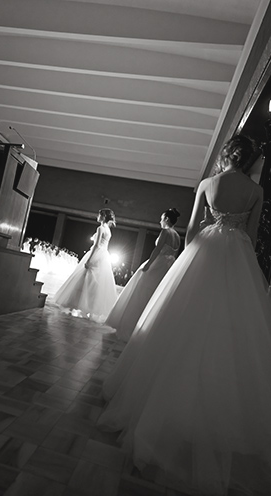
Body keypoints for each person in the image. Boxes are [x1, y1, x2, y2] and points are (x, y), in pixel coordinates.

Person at [97, 135, 271, 496]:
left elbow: (192, 231)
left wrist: (187, 268)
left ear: (226, 156)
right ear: (251, 159)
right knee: (229, 333)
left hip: (203, 252)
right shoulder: (255, 192)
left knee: (180, 327)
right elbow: (252, 238)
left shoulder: (208, 184)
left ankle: (160, 406)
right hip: (236, 257)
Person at [104, 208, 181, 342]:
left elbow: (157, 249)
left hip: (157, 264)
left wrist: (148, 264)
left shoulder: (166, 232)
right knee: (154, 295)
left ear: (167, 219)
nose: (160, 221)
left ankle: (130, 326)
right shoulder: (177, 236)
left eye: (161, 218)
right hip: (167, 268)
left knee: (140, 292)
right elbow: (174, 254)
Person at [53, 208, 117, 323]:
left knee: (84, 280)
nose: (97, 216)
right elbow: (103, 245)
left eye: (99, 214)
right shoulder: (108, 229)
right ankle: (91, 308)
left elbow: (97, 246)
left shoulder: (100, 228)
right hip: (104, 257)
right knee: (95, 283)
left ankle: (74, 304)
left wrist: (89, 259)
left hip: (96, 254)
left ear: (103, 216)